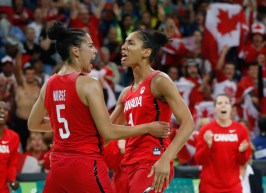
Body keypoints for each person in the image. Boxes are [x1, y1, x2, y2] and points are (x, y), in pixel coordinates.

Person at [27, 22, 170, 193]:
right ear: (75, 50)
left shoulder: (49, 84)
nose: (94, 51)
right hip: (85, 164)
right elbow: (107, 132)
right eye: (90, 46)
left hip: (58, 166)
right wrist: (148, 127)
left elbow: (33, 124)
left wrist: (74, 127)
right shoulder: (88, 84)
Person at [109, 30, 195, 193]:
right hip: (126, 164)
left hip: (151, 160)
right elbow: (107, 131)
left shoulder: (159, 80)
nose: (124, 47)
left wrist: (166, 159)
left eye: (130, 43)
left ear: (146, 52)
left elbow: (188, 123)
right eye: (125, 42)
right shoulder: (126, 93)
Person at [195, 94, 252, 193]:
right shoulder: (206, 130)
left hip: (233, 187)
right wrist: (207, 146)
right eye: (219, 103)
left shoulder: (241, 130)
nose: (223, 105)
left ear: (231, 108)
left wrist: (242, 152)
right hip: (209, 187)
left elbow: (243, 162)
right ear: (215, 108)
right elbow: (199, 160)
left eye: (226, 103)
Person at [0, 101, 20, 193]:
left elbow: (12, 164)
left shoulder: (13, 137)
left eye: (5, 109)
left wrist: (12, 180)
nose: (2, 111)